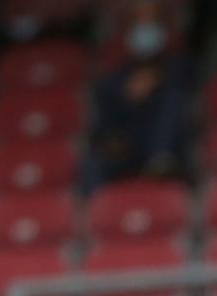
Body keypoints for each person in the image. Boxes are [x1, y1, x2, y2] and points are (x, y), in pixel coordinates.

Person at [86, 14, 202, 189]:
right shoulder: (114, 80)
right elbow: (101, 129)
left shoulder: (177, 68)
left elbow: (191, 84)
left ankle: (161, 159)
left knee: (173, 100)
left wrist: (156, 82)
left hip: (166, 149)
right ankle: (98, 211)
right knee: (93, 163)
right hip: (126, 148)